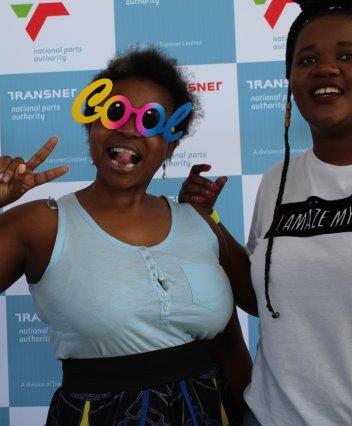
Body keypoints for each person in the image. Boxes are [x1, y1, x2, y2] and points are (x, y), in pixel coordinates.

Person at [0, 49, 252, 425]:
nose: (129, 129)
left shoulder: (198, 221)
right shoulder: (43, 224)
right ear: (91, 126)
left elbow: (232, 343)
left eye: (150, 120)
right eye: (115, 112)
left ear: (169, 145)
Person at [179, 1, 352, 424]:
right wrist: (207, 222)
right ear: (290, 81)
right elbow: (263, 296)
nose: (326, 69)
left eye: (347, 56)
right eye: (307, 60)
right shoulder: (278, 179)